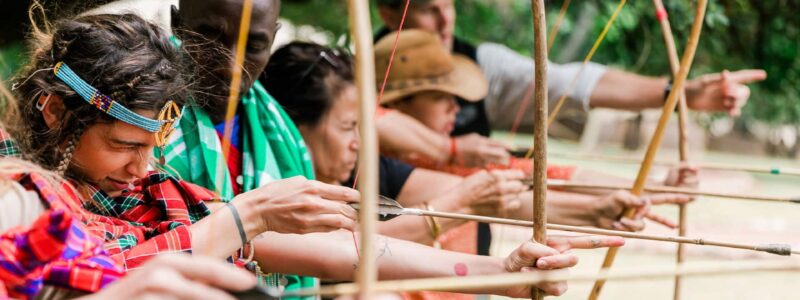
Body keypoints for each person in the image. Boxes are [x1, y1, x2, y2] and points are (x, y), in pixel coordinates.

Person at [4, 3, 624, 299]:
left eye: (151, 147)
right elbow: (107, 269)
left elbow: (339, 249)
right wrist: (245, 216)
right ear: (55, 111)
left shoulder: (144, 190)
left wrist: (500, 275)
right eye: (122, 145)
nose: (142, 166)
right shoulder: (18, 191)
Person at [373, 0, 767, 166]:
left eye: (449, 5)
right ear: (388, 14)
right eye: (428, 8)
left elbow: (568, 83)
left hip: (466, 262)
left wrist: (680, 94)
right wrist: (453, 149)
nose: (446, 21)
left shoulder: (480, 62)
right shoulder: (356, 76)